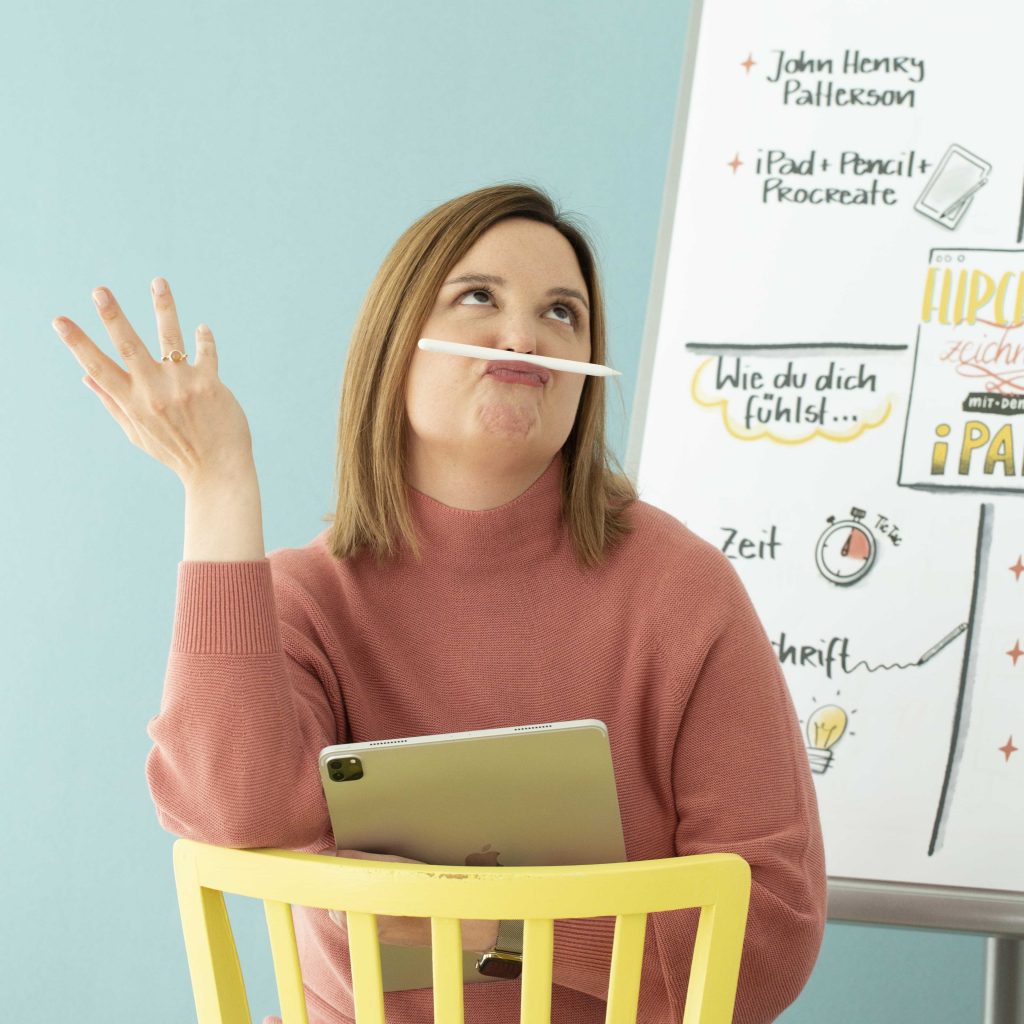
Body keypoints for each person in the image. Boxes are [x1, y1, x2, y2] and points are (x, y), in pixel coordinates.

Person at [53, 182, 827, 1023]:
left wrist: (489, 928)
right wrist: (218, 484)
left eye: (563, 313)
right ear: (396, 343)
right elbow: (230, 809)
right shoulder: (307, 600)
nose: (524, 334)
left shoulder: (684, 593)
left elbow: (771, 930)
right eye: (479, 297)